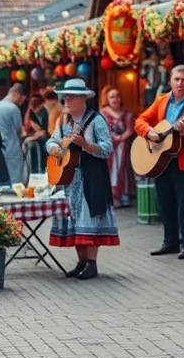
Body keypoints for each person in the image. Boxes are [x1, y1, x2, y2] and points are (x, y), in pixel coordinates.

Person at [135, 65, 184, 260]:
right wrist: (149, 132)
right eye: (177, 79)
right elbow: (140, 120)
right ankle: (170, 242)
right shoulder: (161, 101)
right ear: (170, 81)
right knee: (165, 202)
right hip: (161, 159)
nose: (180, 83)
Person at [47, 79, 118, 280]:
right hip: (70, 177)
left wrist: (86, 145)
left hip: (92, 177)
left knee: (90, 217)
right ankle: (81, 261)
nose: (66, 99)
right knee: (73, 219)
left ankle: (92, 263)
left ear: (83, 98)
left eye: (70, 96)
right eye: (65, 96)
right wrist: (53, 148)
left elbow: (107, 149)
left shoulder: (97, 120)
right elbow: (51, 141)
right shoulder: (63, 120)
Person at [101, 86, 135, 208]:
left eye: (117, 96)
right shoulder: (103, 113)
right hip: (109, 147)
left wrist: (120, 139)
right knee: (110, 171)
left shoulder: (127, 113)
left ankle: (123, 195)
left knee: (124, 170)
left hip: (124, 146)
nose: (115, 99)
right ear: (107, 99)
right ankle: (112, 197)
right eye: (112, 97)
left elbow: (130, 129)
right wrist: (113, 139)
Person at [0, 83, 27, 186]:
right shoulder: (13, 108)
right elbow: (19, 130)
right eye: (22, 100)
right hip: (12, 148)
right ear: (17, 95)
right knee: (14, 178)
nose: (21, 103)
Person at [24, 93, 49, 175]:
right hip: (36, 136)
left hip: (44, 138)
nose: (35, 111)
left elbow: (43, 130)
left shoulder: (44, 112)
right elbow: (27, 125)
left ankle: (40, 170)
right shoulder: (31, 113)